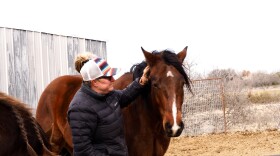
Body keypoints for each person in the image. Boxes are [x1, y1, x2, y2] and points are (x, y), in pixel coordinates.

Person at [67, 52, 150, 156]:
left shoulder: (108, 94)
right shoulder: (80, 109)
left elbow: (124, 96)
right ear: (94, 82)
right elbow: (83, 152)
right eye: (108, 77)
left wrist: (141, 81)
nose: (113, 79)